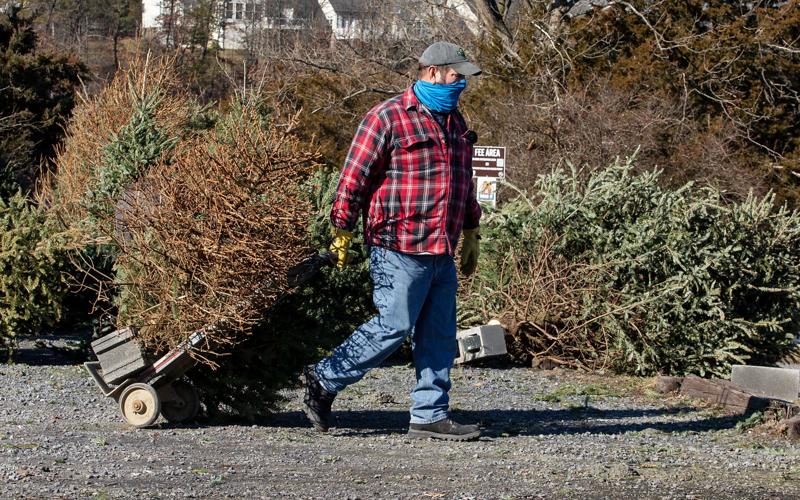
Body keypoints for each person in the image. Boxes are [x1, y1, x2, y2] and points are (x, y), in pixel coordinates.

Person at [302, 41, 483, 441]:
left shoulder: (456, 122)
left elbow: (463, 182)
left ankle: (429, 414)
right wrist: (341, 229)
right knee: (393, 326)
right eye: (457, 75)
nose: (462, 84)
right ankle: (324, 378)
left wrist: (471, 231)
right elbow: (355, 176)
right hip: (396, 244)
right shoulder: (387, 117)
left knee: (438, 334)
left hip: (441, 248)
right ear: (433, 71)